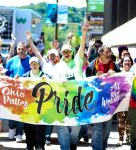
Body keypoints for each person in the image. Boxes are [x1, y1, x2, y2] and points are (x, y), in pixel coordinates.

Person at [54, 21, 89, 150]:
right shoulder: (58, 66)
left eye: (68, 51)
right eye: (64, 52)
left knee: (75, 129)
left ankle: (73, 142)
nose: (66, 53)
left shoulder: (77, 62)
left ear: (72, 52)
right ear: (61, 54)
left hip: (77, 102)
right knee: (62, 127)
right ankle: (65, 147)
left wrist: (84, 32)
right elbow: (54, 83)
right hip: (62, 102)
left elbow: (82, 47)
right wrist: (60, 83)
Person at [86, 45, 120, 150]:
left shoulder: (114, 66)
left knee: (107, 127)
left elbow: (121, 80)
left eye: (110, 51)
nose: (109, 54)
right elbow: (86, 81)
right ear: (100, 53)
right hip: (96, 100)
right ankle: (97, 148)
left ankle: (103, 146)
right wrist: (95, 78)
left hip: (110, 101)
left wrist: (115, 75)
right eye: (107, 52)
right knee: (98, 126)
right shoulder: (93, 65)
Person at [6, 41, 30, 142]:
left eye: (22, 49)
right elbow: (6, 75)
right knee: (12, 112)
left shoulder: (30, 60)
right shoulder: (11, 61)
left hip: (25, 92)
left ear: (26, 50)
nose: (20, 51)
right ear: (16, 50)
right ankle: (12, 128)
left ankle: (19, 133)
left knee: (22, 113)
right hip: (12, 92)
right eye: (19, 49)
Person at [22, 56, 46, 150]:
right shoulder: (25, 76)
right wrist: (16, 79)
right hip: (28, 107)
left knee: (40, 127)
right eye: (32, 64)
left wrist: (47, 80)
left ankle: (40, 146)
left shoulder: (44, 75)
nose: (34, 65)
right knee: (28, 127)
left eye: (36, 63)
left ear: (39, 65)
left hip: (41, 107)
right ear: (30, 65)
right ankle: (29, 145)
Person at [116, 55, 133, 146]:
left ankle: (128, 137)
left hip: (131, 102)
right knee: (121, 121)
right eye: (125, 61)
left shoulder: (134, 74)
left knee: (129, 121)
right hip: (121, 101)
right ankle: (121, 138)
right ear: (122, 63)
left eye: (129, 61)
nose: (127, 62)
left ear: (131, 63)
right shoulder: (118, 74)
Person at [128, 62, 136, 150]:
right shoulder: (134, 67)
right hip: (134, 103)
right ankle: (133, 142)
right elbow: (126, 78)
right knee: (134, 126)